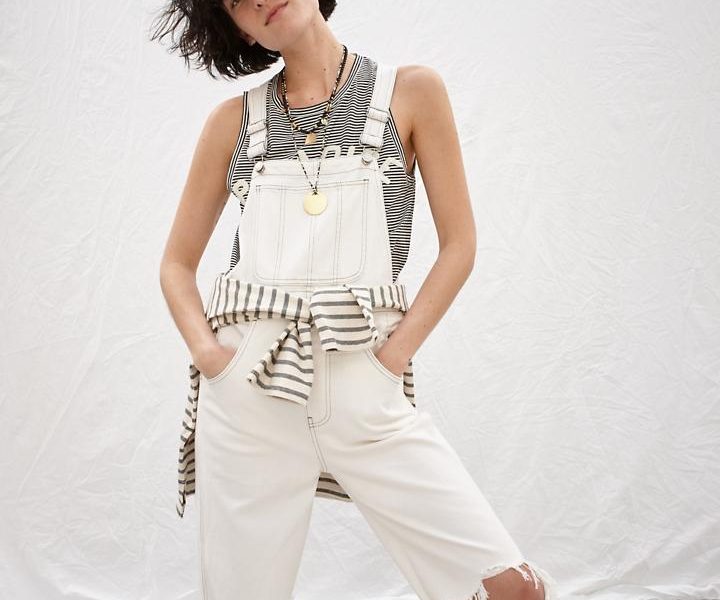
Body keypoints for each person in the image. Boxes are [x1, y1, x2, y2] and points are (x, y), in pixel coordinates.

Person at [152, 1, 558, 599]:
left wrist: (390, 359)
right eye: (235, 0)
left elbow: (460, 246)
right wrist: (215, 361)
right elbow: (176, 265)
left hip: (365, 385)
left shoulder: (411, 93)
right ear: (236, 29)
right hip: (251, 395)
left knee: (510, 589)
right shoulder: (231, 122)